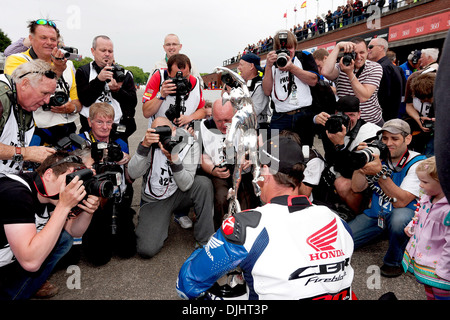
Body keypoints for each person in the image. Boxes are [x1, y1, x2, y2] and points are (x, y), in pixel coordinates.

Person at [176, 135, 354, 300]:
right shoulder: (337, 221)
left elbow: (187, 284)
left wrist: (209, 246)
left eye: (257, 168)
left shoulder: (247, 227)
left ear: (266, 171)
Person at [0, 151, 100, 299]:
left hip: (10, 260)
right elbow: (30, 262)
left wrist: (88, 211)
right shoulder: (15, 193)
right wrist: (64, 206)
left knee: (64, 239)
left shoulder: (49, 192)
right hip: (20, 259)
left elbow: (74, 231)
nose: (71, 188)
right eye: (70, 180)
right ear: (48, 174)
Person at [348, 119, 426, 277]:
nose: (388, 143)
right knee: (342, 240)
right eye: (384, 138)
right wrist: (360, 164)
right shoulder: (378, 155)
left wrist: (380, 174)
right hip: (377, 215)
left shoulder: (418, 163)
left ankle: (394, 262)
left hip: (403, 215)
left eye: (395, 138)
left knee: (398, 220)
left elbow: (402, 201)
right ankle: (383, 233)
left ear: (408, 139)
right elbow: (356, 188)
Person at [127, 117, 214, 258]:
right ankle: (159, 221)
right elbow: (132, 173)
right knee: (146, 250)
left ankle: (204, 241)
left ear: (174, 129)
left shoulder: (190, 143)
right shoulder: (149, 141)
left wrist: (174, 160)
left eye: (165, 131)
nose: (161, 137)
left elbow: (186, 185)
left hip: (180, 191)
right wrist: (144, 146)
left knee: (203, 184)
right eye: (157, 132)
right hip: (155, 198)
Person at [72, 102, 135, 265]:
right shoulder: (79, 141)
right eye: (100, 122)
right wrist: (92, 159)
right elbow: (70, 176)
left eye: (109, 122)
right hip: (92, 203)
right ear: (89, 121)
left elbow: (130, 179)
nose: (105, 127)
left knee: (128, 251)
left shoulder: (119, 141)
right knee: (98, 259)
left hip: (117, 198)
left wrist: (126, 161)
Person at [4, 19, 82, 147]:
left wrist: (71, 108)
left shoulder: (67, 64)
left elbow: (77, 102)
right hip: (33, 133)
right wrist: (57, 70)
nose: (49, 43)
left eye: (53, 39)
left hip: (66, 133)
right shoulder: (17, 60)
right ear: (31, 39)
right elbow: (25, 94)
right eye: (43, 38)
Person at [198, 99, 259, 228]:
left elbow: (256, 147)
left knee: (246, 199)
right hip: (220, 172)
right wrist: (212, 169)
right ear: (212, 116)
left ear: (235, 113)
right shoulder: (204, 127)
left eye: (227, 120)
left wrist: (251, 159)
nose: (223, 125)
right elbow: (203, 157)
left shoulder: (246, 122)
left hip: (242, 170)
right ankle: (221, 233)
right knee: (221, 198)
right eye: (218, 120)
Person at [314, 96, 380, 214]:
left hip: (361, 178)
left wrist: (340, 145)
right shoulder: (331, 126)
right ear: (335, 113)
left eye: (351, 115)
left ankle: (357, 213)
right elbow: (331, 159)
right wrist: (315, 119)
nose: (346, 119)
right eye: (343, 115)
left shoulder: (369, 132)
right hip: (337, 170)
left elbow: (349, 169)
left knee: (342, 184)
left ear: (359, 114)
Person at [402, 157, 450, 300]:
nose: (421, 186)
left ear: (443, 181)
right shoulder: (426, 197)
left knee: (441, 294)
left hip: (440, 268)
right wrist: (412, 225)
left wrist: (445, 269)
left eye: (425, 182)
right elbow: (419, 215)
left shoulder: (447, 210)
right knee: (428, 290)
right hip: (425, 261)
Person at [75, 35, 137, 144]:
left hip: (117, 131)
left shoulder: (124, 74)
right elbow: (85, 100)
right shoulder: (83, 71)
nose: (107, 54)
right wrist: (99, 80)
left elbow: (132, 103)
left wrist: (117, 91)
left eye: (110, 51)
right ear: (93, 51)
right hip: (90, 131)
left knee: (120, 159)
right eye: (103, 50)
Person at [262, 30, 319, 147]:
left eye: (289, 48)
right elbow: (267, 91)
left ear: (295, 47)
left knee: (305, 154)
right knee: (275, 154)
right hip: (280, 116)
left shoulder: (304, 57)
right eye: (281, 49)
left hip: (303, 115)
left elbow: (313, 80)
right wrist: (268, 66)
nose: (286, 52)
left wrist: (292, 68)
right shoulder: (272, 64)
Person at [0, 59, 57, 174]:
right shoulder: (2, 97)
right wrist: (26, 153)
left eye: (50, 95)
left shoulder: (24, 102)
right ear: (25, 84)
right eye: (44, 93)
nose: (47, 101)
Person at [322, 37, 384, 127]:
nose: (358, 57)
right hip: (347, 122)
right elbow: (325, 72)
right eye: (355, 53)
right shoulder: (341, 67)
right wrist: (338, 47)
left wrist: (350, 73)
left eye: (362, 52)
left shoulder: (375, 68)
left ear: (367, 52)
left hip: (371, 122)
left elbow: (363, 96)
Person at [142, 54, 206, 128]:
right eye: (177, 77)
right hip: (161, 131)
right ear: (168, 72)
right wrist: (161, 95)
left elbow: (202, 111)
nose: (181, 81)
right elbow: (146, 113)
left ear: (190, 72)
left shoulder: (195, 82)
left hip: (185, 132)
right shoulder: (158, 77)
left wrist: (189, 117)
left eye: (185, 77)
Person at [367, 37, 404, 121]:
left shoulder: (384, 67)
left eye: (371, 47)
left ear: (381, 48)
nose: (368, 50)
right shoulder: (386, 66)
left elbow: (381, 97)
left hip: (384, 119)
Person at [404, 72, 435, 156]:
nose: (423, 102)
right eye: (420, 100)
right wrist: (418, 119)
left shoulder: (444, 85)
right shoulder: (412, 80)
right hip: (415, 129)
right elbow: (409, 104)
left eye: (427, 101)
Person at [236, 53, 271, 129]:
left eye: (241, 65)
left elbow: (252, 113)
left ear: (251, 66)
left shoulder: (260, 86)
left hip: (258, 130)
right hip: (244, 128)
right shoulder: (241, 85)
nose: (238, 68)